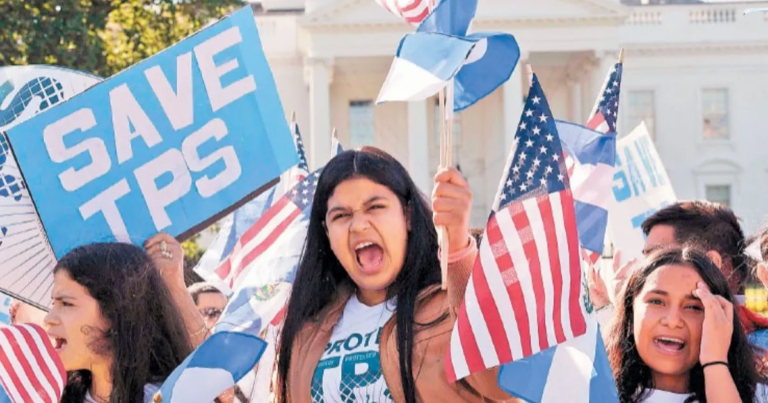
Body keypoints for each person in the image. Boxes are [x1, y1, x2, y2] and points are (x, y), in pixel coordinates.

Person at [275, 147, 513, 402]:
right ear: (327, 233)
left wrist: (457, 249)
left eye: (375, 207)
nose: (359, 225)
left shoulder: (450, 307)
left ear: (407, 215)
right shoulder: (306, 333)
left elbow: (505, 382)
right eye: (341, 216)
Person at [45, 236, 196, 403]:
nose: (49, 318)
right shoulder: (48, 395)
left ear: (114, 312)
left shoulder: (174, 397)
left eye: (66, 303)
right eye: (54, 303)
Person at [606, 248, 767, 403]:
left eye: (693, 307)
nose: (673, 320)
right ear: (630, 311)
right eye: (657, 302)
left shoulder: (760, 395)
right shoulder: (594, 393)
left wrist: (715, 363)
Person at [591, 201, 768, 338]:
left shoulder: (755, 350)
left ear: (711, 262)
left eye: (660, 257)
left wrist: (622, 314)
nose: (646, 270)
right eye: (648, 259)